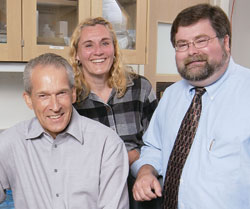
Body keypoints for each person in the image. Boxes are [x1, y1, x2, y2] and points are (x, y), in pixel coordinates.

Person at [132, 3, 250, 209]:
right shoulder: (171, 96)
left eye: (201, 41)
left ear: (226, 42)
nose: (192, 51)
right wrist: (146, 171)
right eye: (182, 44)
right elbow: (154, 147)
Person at [0, 53, 129, 209]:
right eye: (43, 96)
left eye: (61, 93)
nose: (55, 106)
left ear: (73, 94)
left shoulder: (108, 144)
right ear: (28, 99)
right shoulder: (9, 143)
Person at [69, 17, 159, 209]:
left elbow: (159, 143)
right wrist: (126, 155)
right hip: (92, 193)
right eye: (88, 45)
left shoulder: (140, 88)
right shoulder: (70, 98)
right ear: (77, 54)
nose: (98, 51)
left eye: (105, 43)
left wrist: (138, 159)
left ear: (114, 49)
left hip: (140, 186)